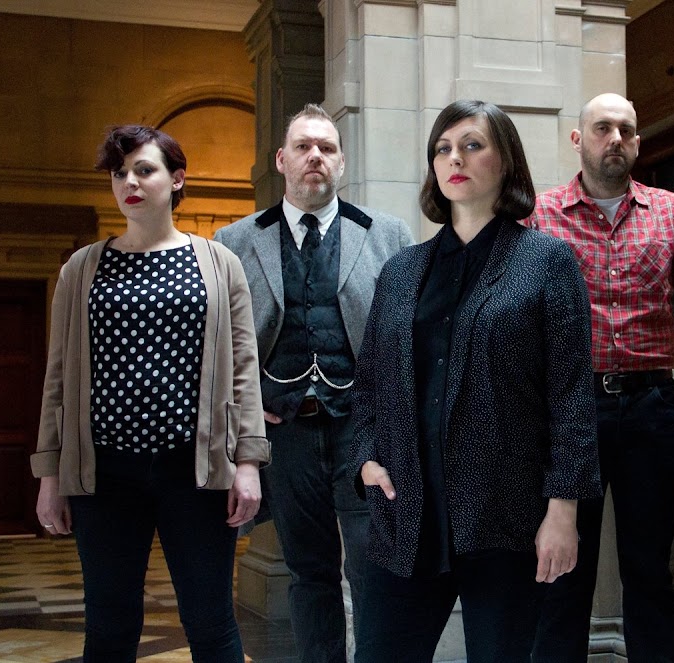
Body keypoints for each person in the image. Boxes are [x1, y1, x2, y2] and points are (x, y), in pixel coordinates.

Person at [349, 99, 601, 663]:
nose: (454, 159)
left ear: (506, 160)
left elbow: (570, 396)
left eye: (471, 145)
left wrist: (563, 509)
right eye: (442, 149)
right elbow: (369, 386)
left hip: (506, 515)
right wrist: (365, 458)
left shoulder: (548, 261)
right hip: (407, 511)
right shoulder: (401, 270)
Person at [30, 125, 269, 662]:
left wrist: (249, 463)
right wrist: (50, 475)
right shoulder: (81, 268)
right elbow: (57, 377)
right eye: (120, 174)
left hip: (196, 469)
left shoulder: (218, 263)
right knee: (108, 623)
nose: (130, 183)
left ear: (176, 178)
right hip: (104, 472)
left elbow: (244, 368)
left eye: (144, 170)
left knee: (210, 620)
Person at [526, 92, 674, 662]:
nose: (614, 139)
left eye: (625, 129)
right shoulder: (540, 216)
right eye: (602, 128)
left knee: (652, 568)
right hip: (569, 410)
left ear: (638, 142)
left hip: (650, 406)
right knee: (562, 571)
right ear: (578, 139)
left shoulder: (670, 211)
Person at [214, 103, 412, 663]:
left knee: (374, 568)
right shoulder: (235, 240)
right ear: (282, 159)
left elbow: (408, 337)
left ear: (342, 162)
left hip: (364, 434)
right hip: (285, 435)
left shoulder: (387, 235)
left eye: (326, 147)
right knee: (309, 572)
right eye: (303, 146)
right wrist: (244, 408)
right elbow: (216, 342)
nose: (315, 157)